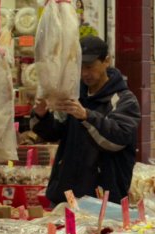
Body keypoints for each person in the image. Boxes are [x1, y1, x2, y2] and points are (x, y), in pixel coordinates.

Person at [31, 36, 140, 205]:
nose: (84, 73)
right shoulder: (73, 95)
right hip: (66, 196)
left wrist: (86, 116)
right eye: (80, 67)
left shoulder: (124, 100)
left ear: (106, 61)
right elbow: (53, 133)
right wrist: (41, 115)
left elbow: (117, 139)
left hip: (103, 200)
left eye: (89, 67)